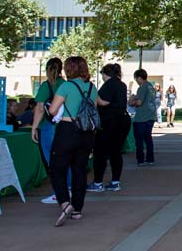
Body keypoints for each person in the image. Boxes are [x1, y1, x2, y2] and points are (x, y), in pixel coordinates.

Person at [47, 56, 103, 226]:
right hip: (86, 134)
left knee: (57, 168)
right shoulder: (92, 87)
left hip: (67, 130)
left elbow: (52, 109)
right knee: (80, 170)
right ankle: (77, 209)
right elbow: (93, 107)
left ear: (69, 69)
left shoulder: (66, 86)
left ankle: (65, 203)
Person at [31, 57, 69, 205]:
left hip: (50, 126)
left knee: (52, 161)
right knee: (66, 159)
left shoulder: (46, 86)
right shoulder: (66, 85)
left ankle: (57, 193)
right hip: (66, 125)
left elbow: (40, 108)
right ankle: (69, 188)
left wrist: (34, 127)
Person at [91, 63, 131, 192]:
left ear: (105, 73)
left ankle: (97, 183)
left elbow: (104, 102)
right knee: (116, 151)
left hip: (110, 120)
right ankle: (115, 182)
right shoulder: (121, 84)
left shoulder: (108, 85)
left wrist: (94, 95)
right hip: (123, 119)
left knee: (100, 151)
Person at [128, 68, 157, 165]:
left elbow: (139, 102)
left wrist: (131, 101)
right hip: (151, 115)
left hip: (141, 117)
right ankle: (150, 158)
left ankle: (140, 159)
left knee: (139, 139)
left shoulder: (142, 87)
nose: (136, 81)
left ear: (139, 77)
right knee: (148, 138)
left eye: (136, 78)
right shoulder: (151, 87)